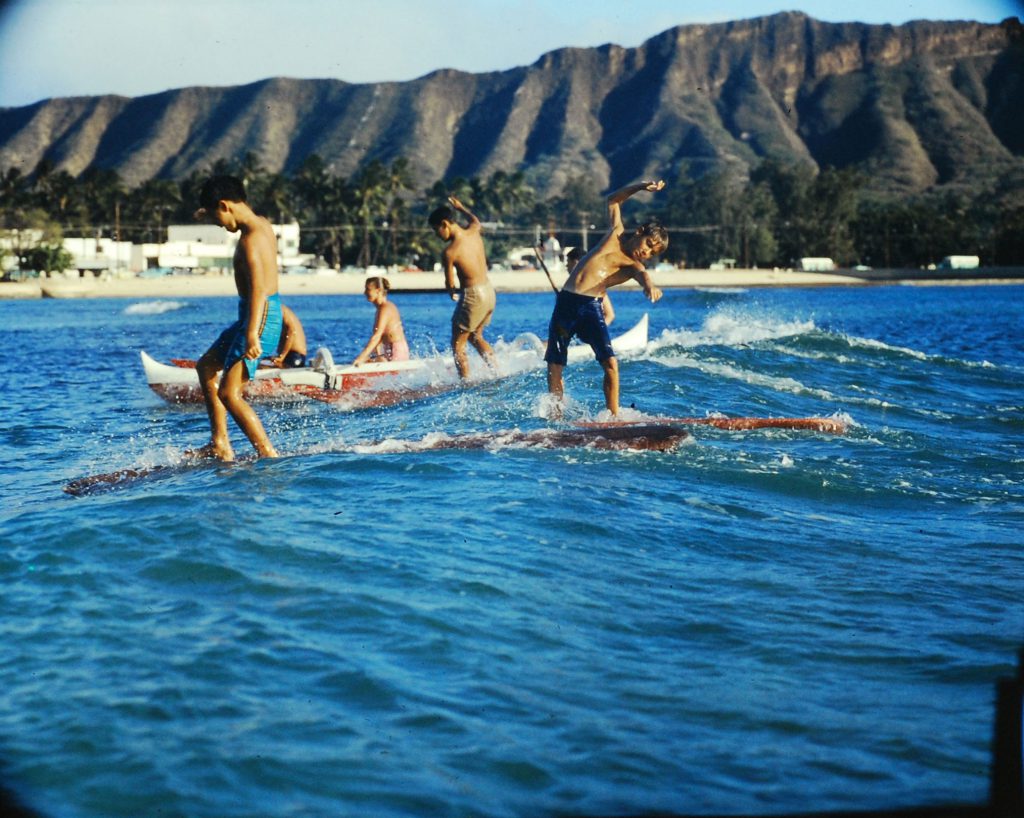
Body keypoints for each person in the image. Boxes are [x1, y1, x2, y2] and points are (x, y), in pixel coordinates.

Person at [545, 180, 668, 416]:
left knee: (611, 364)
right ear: (640, 232)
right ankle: (555, 416)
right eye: (648, 245)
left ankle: (613, 417)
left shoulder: (633, 265)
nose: (647, 252)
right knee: (555, 363)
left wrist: (650, 285)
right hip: (567, 305)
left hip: (591, 309)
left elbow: (643, 275)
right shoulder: (615, 234)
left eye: (653, 253)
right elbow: (613, 199)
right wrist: (641, 186)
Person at [190, 175, 282, 460]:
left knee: (230, 394)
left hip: (259, 317)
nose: (219, 225)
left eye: (217, 219)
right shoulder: (261, 224)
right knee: (206, 366)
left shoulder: (251, 241)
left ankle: (268, 454)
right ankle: (220, 442)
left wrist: (253, 333)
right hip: (252, 316)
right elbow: (229, 210)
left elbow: (258, 291)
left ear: (224, 205)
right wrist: (208, 211)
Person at [428, 196, 497, 379]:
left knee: (458, 345)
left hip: (473, 295)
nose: (437, 235)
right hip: (489, 292)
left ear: (445, 224)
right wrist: (461, 208)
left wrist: (451, 292)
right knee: (475, 336)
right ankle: (498, 372)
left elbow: (450, 283)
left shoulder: (450, 251)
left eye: (436, 230)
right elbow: (475, 220)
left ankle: (465, 383)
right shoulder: (473, 231)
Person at [353, 276, 410, 364]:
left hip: (396, 349)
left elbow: (377, 336)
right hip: (389, 348)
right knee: (369, 361)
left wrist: (361, 357)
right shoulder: (380, 309)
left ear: (378, 290)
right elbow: (379, 340)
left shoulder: (385, 308)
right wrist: (373, 357)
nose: (364, 292)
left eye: (367, 289)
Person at [565, 246, 614, 326]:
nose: (566, 266)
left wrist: (597, 332)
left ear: (576, 263)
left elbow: (610, 315)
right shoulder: (569, 287)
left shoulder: (594, 285)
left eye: (568, 262)